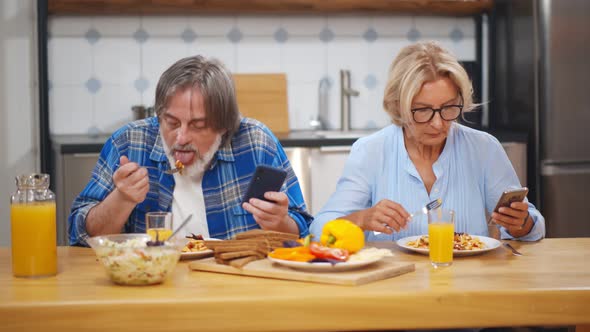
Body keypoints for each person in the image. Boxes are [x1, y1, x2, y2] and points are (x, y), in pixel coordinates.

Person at [310, 41, 545, 242]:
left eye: (448, 108)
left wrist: (521, 224)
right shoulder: (370, 151)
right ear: (398, 106)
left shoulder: (484, 148)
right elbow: (320, 229)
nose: (438, 123)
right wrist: (361, 219)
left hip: (467, 284)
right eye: (422, 111)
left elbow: (535, 226)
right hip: (394, 284)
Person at [69, 55, 312, 246]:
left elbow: (301, 231)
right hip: (148, 283)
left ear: (224, 126)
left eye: (198, 126)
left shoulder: (256, 142)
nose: (181, 138)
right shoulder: (129, 142)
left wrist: (280, 222)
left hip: (235, 288)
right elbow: (80, 234)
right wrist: (121, 199)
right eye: (172, 123)